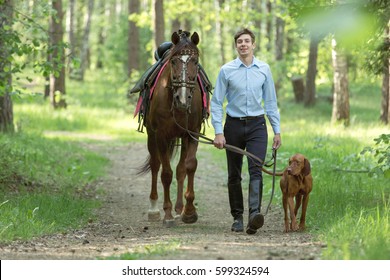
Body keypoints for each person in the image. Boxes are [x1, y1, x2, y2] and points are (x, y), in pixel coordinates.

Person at [211, 28, 281, 235]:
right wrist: (218, 132)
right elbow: (216, 103)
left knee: (256, 169)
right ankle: (237, 218)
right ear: (236, 46)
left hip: (257, 126)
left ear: (253, 44)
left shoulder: (264, 69)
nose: (243, 44)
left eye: (247, 41)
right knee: (234, 173)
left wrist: (276, 131)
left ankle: (254, 216)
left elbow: (270, 102)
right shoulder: (226, 70)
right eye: (240, 41)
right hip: (232, 126)